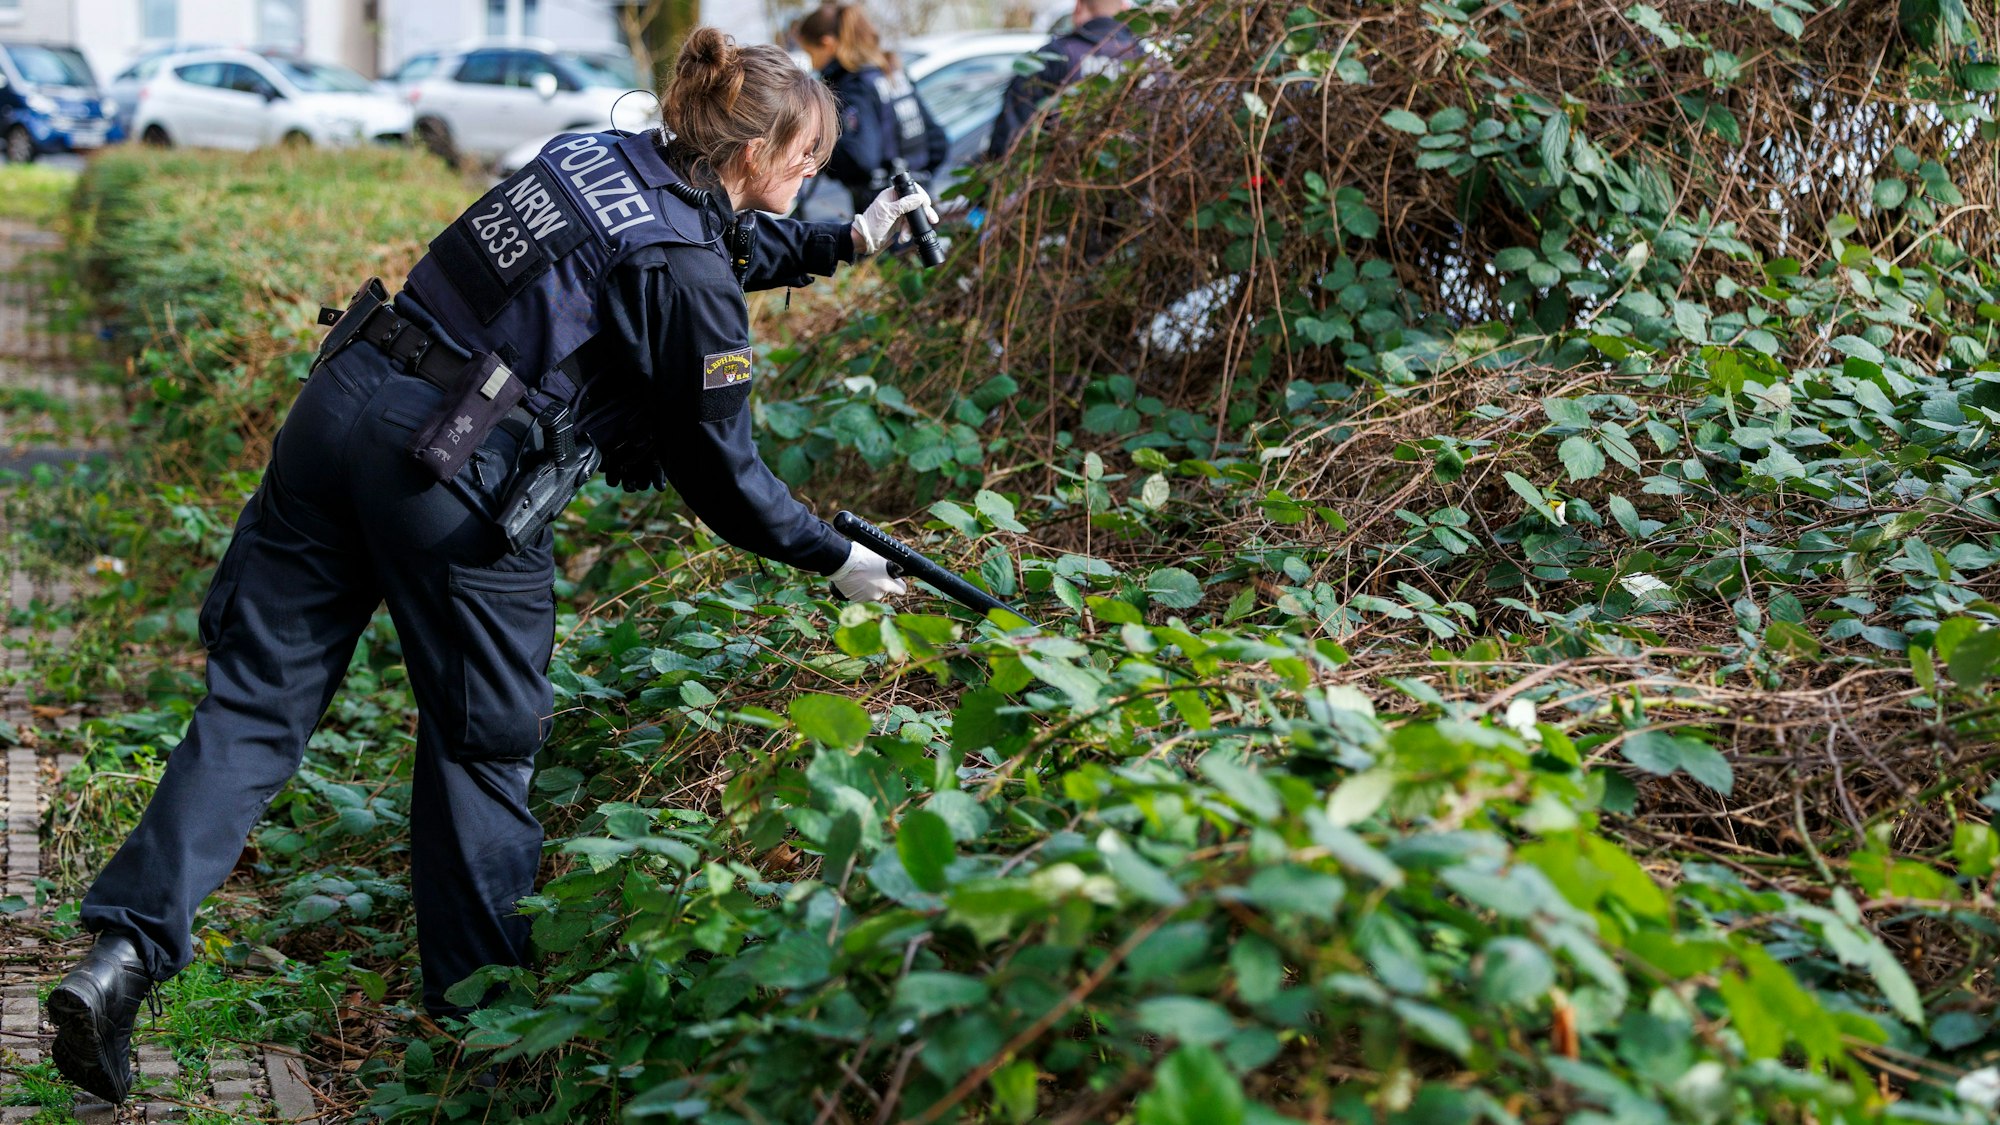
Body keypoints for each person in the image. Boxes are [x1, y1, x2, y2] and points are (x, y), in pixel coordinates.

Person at [46, 27, 933, 1104]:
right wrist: (833, 554)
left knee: (254, 703)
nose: (814, 173)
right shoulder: (686, 268)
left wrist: (845, 242)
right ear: (750, 152)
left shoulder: (586, 158)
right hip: (451, 478)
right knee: (481, 747)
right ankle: (480, 1047)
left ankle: (120, 956)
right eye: (805, 157)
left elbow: (684, 247)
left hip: (341, 412)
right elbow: (722, 466)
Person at [795, 3, 949, 214]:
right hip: (920, 204)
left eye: (810, 53)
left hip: (883, 211)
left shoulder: (852, 85)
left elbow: (859, 159)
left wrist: (817, 145)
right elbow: (938, 143)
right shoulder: (890, 72)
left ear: (828, 44)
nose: (812, 65)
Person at [986, 0, 1141, 160]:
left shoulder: (1056, 55)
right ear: (1125, 9)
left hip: (1057, 175)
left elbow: (1011, 132)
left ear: (1078, 8)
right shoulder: (1147, 62)